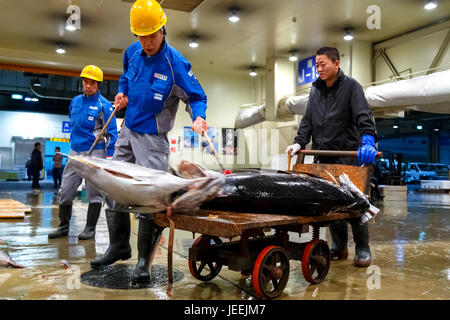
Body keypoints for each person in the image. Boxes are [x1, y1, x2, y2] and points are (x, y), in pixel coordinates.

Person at [90, 0, 209, 283]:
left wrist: (199, 116)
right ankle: (119, 246)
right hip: (127, 130)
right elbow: (125, 80)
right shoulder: (132, 52)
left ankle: (144, 261)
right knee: (113, 183)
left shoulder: (175, 64)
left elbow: (196, 96)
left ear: (163, 29)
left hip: (153, 139)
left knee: (149, 198)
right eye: (141, 36)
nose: (146, 42)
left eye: (152, 36)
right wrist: (122, 94)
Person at [285, 46, 378, 267]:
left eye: (323, 64)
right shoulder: (315, 90)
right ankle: (339, 246)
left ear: (336, 63)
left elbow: (363, 115)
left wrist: (368, 139)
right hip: (322, 156)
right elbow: (307, 120)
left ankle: (363, 248)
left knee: (354, 204)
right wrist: (299, 142)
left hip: (346, 156)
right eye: (316, 65)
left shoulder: (351, 87)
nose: (319, 69)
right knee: (332, 204)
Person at [48, 65, 118, 240]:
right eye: (85, 82)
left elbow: (113, 134)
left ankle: (90, 229)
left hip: (96, 152)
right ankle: (63, 226)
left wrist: (109, 157)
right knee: (65, 190)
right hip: (75, 151)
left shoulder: (105, 106)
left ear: (98, 84)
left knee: (93, 192)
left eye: (92, 83)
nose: (88, 86)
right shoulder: (75, 101)